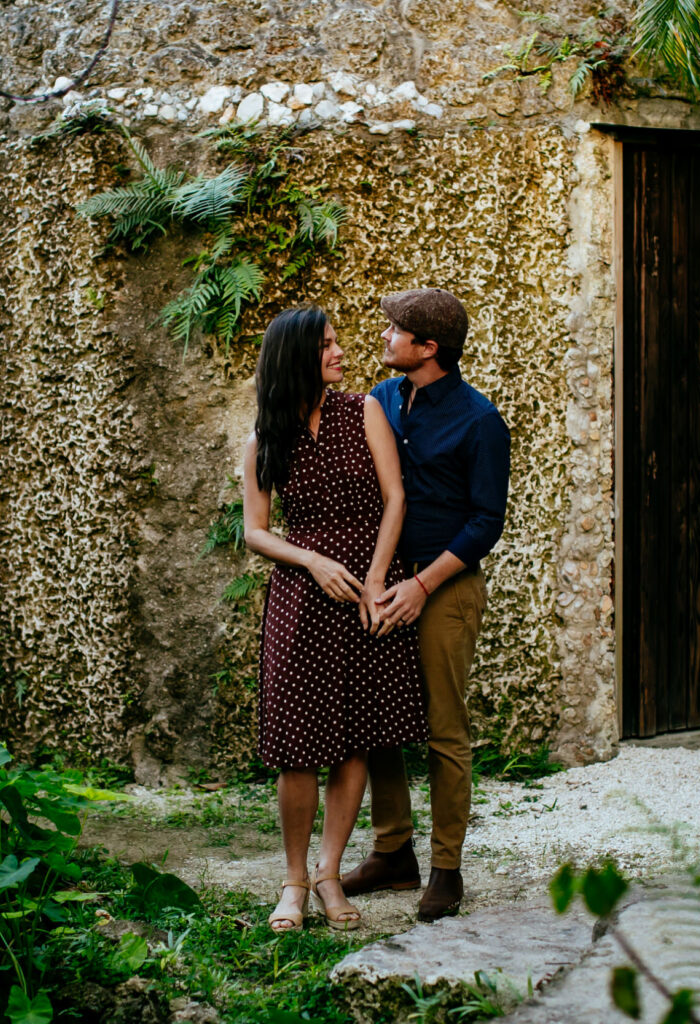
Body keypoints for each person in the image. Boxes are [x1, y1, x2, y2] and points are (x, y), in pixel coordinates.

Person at [242, 305, 430, 932]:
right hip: (302, 598)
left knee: (355, 738)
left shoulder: (364, 410)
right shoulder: (265, 439)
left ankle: (329, 874)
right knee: (298, 747)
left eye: (336, 342)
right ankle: (293, 882)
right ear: (297, 355)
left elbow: (395, 498)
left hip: (367, 593)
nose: (339, 352)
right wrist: (313, 561)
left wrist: (376, 582)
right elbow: (255, 531)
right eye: (326, 345)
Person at [341, 288, 511, 922]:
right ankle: (392, 853)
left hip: (445, 588)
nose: (385, 336)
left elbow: (486, 521)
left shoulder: (480, 420)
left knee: (444, 728)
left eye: (396, 330)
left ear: (428, 347)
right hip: (384, 584)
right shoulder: (381, 400)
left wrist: (422, 586)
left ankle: (446, 868)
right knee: (379, 719)